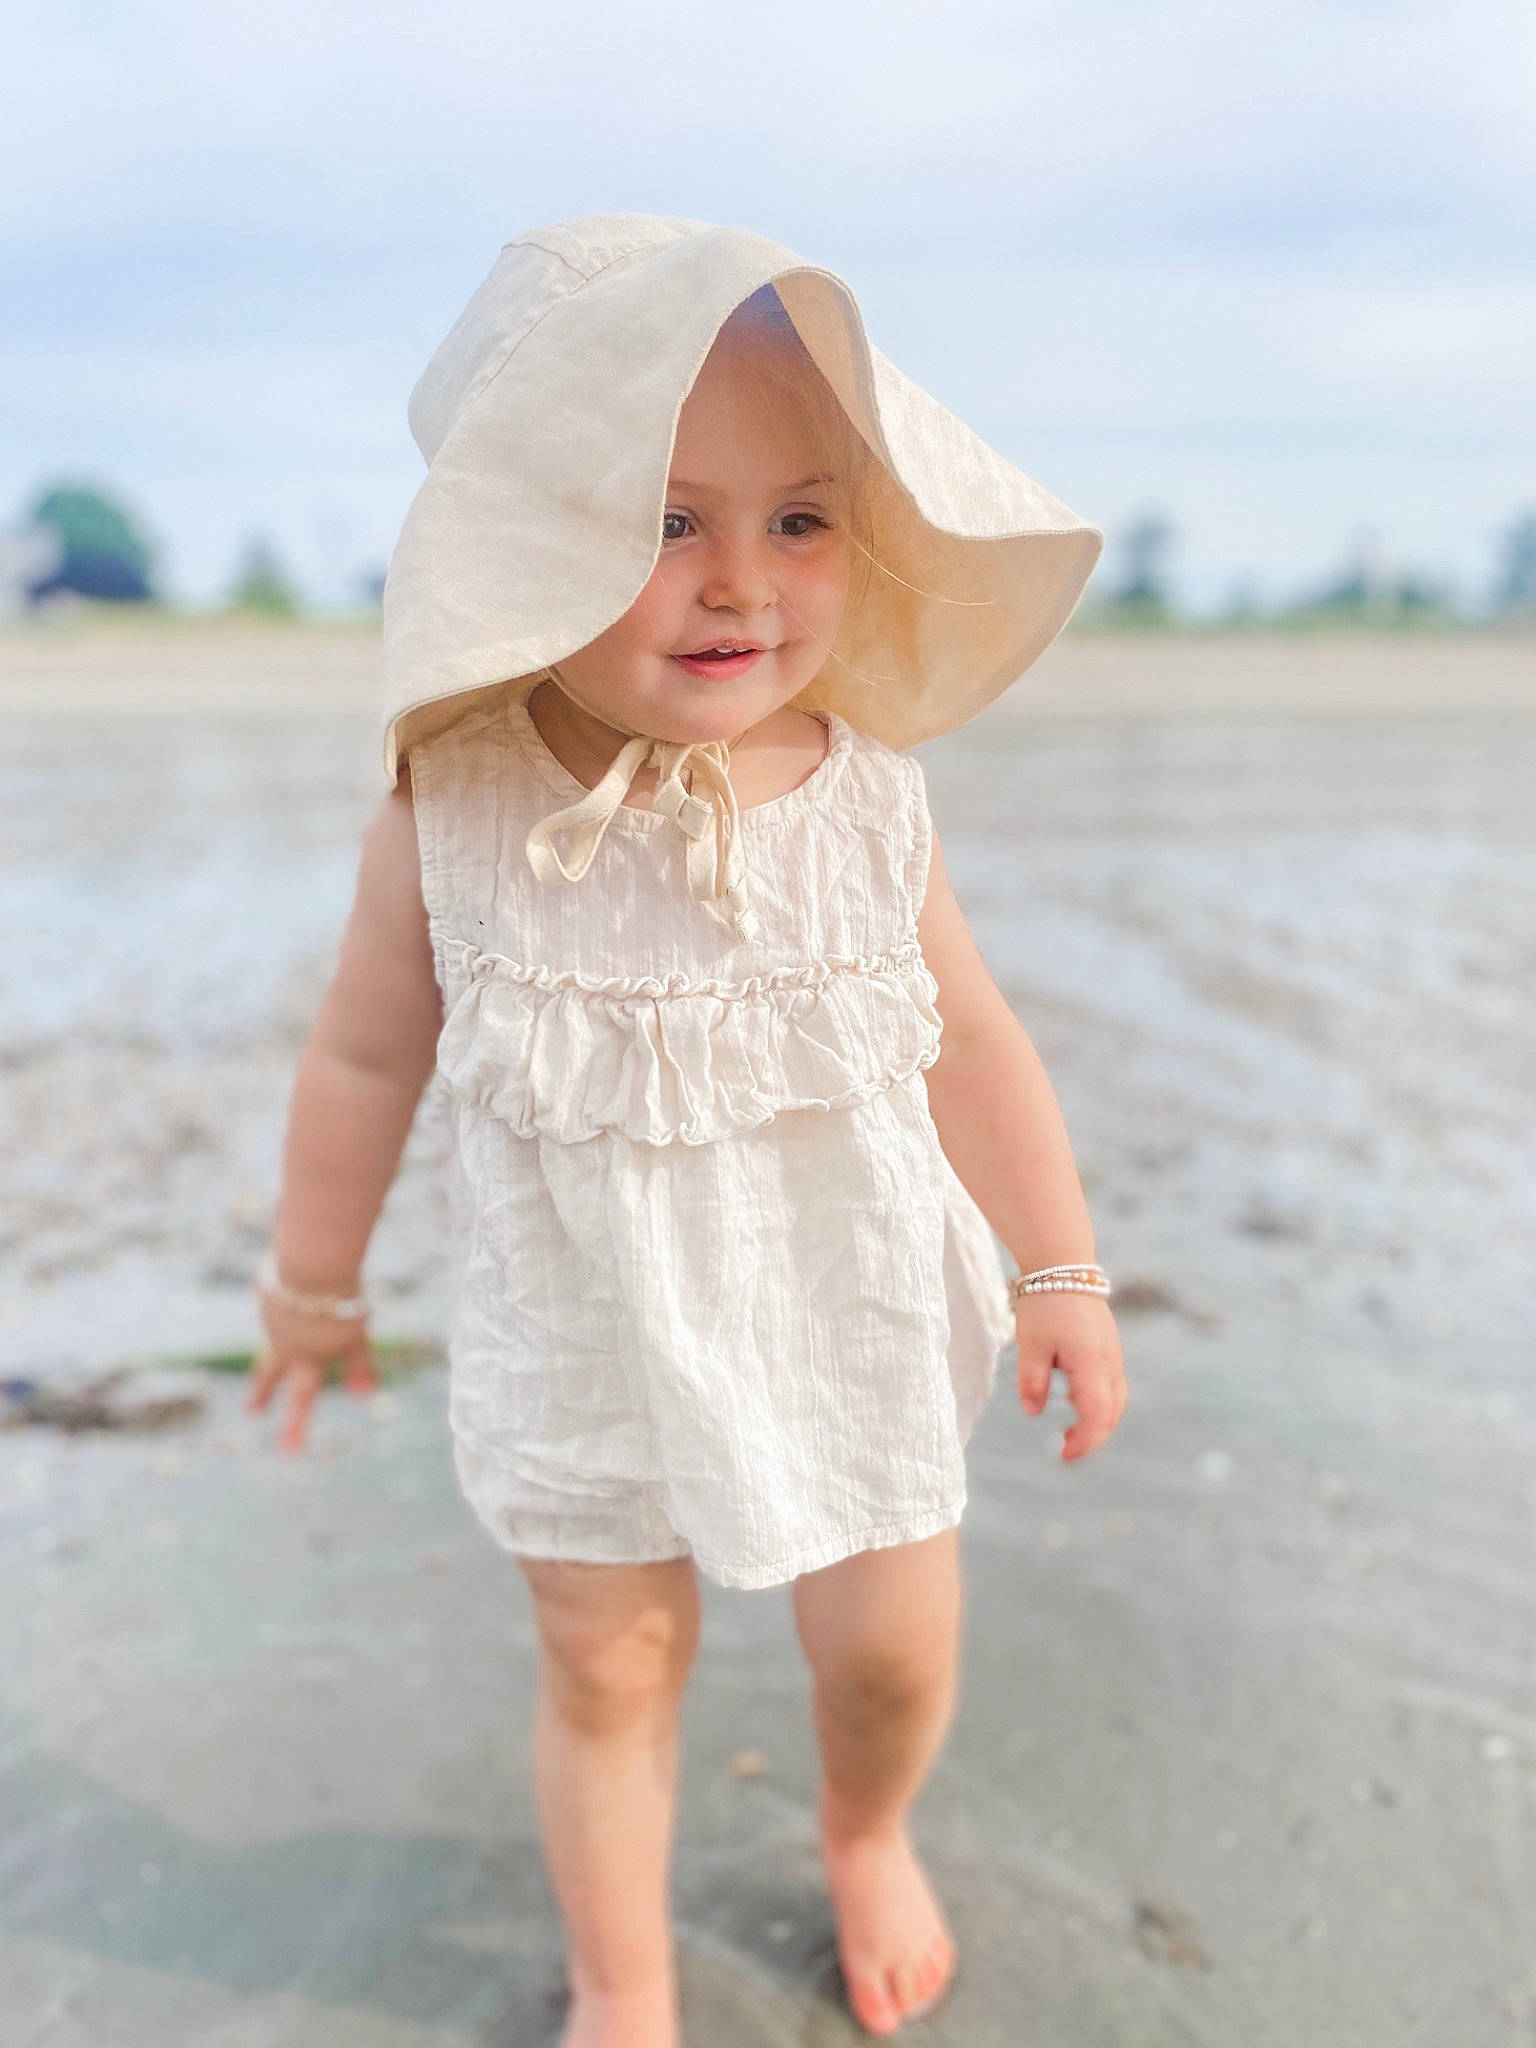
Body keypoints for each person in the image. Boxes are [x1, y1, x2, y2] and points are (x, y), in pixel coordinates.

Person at [247, 213, 1127, 2046]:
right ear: (523, 544)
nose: (742, 582)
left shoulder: (867, 803)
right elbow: (356, 1063)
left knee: (884, 1650)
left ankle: (865, 1828)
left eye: (799, 519)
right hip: (586, 1329)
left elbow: (974, 1039)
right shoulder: (453, 812)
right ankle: (622, 1975)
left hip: (854, 1301)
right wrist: (312, 1290)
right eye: (664, 523)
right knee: (606, 1660)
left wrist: (1061, 1267)